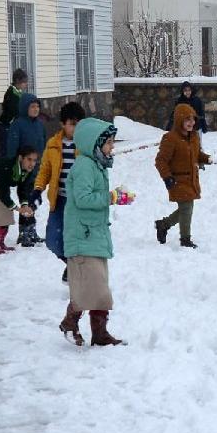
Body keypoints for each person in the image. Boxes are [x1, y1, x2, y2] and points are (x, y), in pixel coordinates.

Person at [60, 118, 132, 347]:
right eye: (109, 142)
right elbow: (82, 199)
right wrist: (110, 197)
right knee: (88, 289)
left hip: (94, 235)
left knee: (99, 289)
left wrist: (113, 197)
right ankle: (70, 323)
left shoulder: (97, 165)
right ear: (94, 143)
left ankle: (100, 333)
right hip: (82, 237)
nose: (112, 147)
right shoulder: (84, 166)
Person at [32, 102, 86, 278]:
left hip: (79, 201)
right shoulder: (53, 144)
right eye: (72, 123)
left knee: (79, 239)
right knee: (53, 241)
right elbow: (45, 171)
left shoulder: (86, 144)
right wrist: (37, 189)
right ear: (63, 124)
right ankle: (71, 264)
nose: (76, 127)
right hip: (60, 200)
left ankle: (80, 270)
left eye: (79, 123)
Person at [154, 103, 213, 249]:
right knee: (186, 208)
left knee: (186, 208)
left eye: (192, 119)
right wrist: (167, 177)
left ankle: (164, 224)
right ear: (179, 120)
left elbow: (197, 155)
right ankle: (185, 239)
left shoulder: (194, 137)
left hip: (192, 179)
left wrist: (207, 159)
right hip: (177, 180)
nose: (191, 123)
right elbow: (160, 160)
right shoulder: (170, 138)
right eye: (187, 120)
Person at [5, 92, 46, 245]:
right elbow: (11, 147)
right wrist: (14, 165)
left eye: (37, 106)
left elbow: (43, 143)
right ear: (24, 107)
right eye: (32, 106)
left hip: (35, 167)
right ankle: (26, 232)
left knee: (32, 198)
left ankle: (29, 232)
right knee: (26, 198)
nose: (36, 109)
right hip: (22, 168)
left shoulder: (39, 124)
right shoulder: (18, 124)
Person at [0, 146, 39, 254]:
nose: (32, 163)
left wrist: (24, 205)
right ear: (20, 158)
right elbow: (3, 194)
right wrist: (17, 209)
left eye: (34, 160)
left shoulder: (28, 171)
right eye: (29, 159)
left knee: (6, 214)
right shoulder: (7, 167)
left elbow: (23, 189)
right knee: (2, 214)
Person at [0, 68, 28, 155]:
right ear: (17, 81)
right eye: (24, 82)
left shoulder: (18, 92)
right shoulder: (11, 93)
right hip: (6, 126)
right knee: (7, 150)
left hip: (12, 125)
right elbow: (15, 111)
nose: (26, 84)